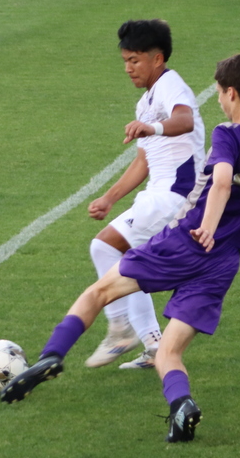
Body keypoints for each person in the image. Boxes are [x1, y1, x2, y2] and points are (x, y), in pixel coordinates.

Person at [1, 36, 240, 444]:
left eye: (220, 94)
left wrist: (207, 226)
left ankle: (51, 356)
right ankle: (181, 407)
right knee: (169, 351)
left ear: (230, 93)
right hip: (225, 261)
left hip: (187, 242)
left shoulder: (229, 134)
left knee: (99, 292)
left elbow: (223, 181)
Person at [84, 20, 206, 371]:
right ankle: (153, 344)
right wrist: (109, 198)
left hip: (175, 197)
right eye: (125, 60)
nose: (128, 68)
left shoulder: (171, 86)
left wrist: (151, 126)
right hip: (158, 196)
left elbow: (184, 121)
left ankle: (121, 328)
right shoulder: (145, 102)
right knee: (129, 260)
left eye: (134, 60)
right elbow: (143, 160)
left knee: (104, 247)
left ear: (157, 58)